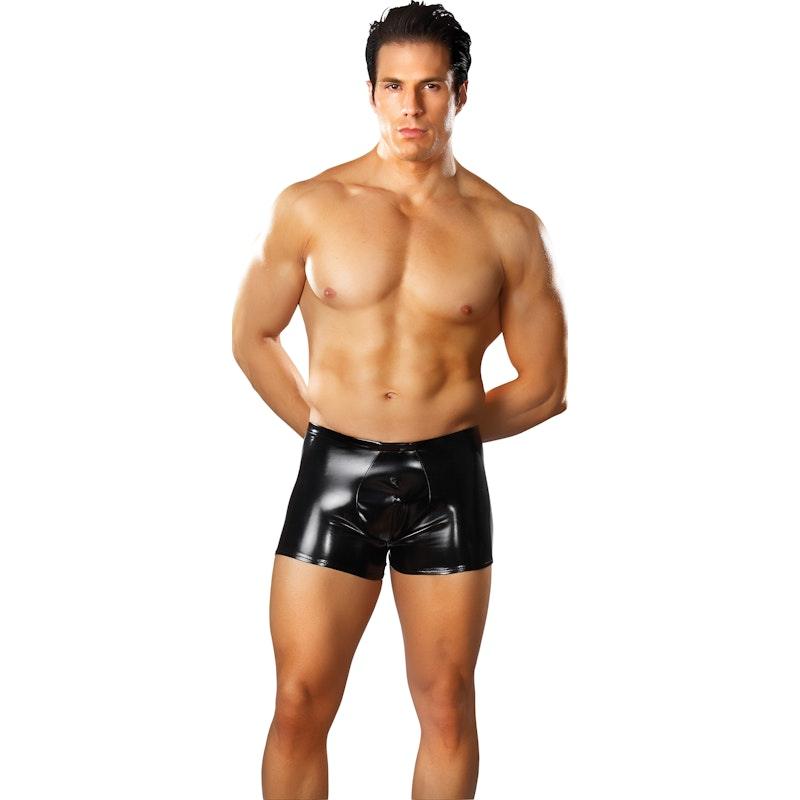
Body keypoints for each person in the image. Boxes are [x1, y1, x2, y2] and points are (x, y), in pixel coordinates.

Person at [231, 2, 568, 797]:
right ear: (371, 92)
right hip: (333, 473)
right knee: (298, 704)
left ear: (461, 92)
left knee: (446, 705)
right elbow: (252, 336)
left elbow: (546, 387)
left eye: (430, 86)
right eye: (393, 86)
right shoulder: (310, 205)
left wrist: (439, 425)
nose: (410, 107)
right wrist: (325, 430)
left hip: (446, 486)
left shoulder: (508, 228)